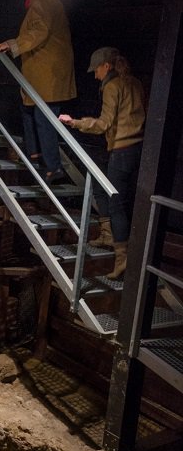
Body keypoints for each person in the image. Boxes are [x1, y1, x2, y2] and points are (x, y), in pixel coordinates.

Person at [60, 48, 145, 281]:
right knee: (104, 187)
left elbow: (103, 124)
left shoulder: (112, 86)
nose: (96, 75)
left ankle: (122, 259)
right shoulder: (135, 83)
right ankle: (107, 233)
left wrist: (75, 123)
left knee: (116, 204)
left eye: (96, 70)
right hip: (136, 149)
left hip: (122, 149)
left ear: (106, 66)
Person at [0, 0, 76, 184]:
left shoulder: (43, 0)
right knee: (30, 110)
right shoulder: (42, 0)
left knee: (43, 116)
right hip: (42, 72)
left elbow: (39, 31)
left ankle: (52, 166)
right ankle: (36, 155)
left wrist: (13, 44)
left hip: (48, 72)